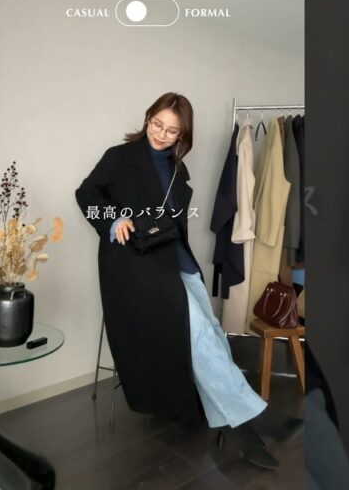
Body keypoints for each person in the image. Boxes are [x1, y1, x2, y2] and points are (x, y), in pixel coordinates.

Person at [75, 91, 278, 469]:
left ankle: (239, 415)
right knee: (197, 333)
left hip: (176, 261)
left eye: (172, 131)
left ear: (183, 136)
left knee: (212, 332)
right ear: (147, 117)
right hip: (136, 266)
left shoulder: (177, 170)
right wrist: (113, 220)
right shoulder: (119, 157)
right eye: (157, 124)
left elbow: (174, 223)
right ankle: (248, 426)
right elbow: (86, 193)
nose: (161, 134)